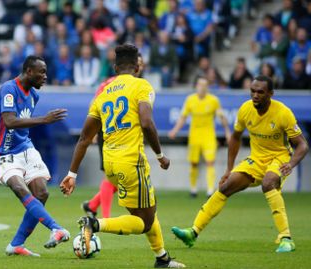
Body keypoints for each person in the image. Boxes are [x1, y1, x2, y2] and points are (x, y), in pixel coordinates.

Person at [60, 44, 185, 268]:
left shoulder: (102, 94)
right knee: (144, 222)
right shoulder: (141, 85)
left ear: (115, 67)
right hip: (131, 162)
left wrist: (72, 174)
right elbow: (146, 122)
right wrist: (159, 155)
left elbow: (84, 138)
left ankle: (162, 258)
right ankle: (93, 224)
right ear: (137, 67)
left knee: (145, 209)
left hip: (110, 164)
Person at [171, 75, 309, 253]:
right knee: (226, 186)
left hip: (279, 158)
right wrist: (229, 169)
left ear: (270, 94)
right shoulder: (245, 109)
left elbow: (302, 145)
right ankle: (193, 232)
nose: (255, 95)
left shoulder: (283, 113)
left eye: (260, 92)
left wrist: (291, 163)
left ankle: (286, 238)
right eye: (253, 91)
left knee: (268, 183)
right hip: (256, 159)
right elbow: (235, 138)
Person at [0, 55, 70, 257]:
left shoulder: (34, 95)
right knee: (19, 187)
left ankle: (16, 244)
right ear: (29, 72)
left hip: (26, 149)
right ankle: (56, 228)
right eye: (41, 72)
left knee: (42, 193)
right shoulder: (9, 88)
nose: (45, 76)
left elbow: (22, 125)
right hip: (5, 152)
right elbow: (9, 121)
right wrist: (44, 120)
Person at [82, 54, 146, 219]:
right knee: (112, 176)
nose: (138, 67)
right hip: (109, 133)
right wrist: (95, 131)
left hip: (129, 135)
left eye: (140, 63)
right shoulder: (109, 84)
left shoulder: (137, 85)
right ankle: (106, 218)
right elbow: (94, 106)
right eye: (136, 62)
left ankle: (92, 205)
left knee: (121, 176)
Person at [168, 77, 231, 198]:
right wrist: (174, 131)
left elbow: (222, 117)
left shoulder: (213, 100)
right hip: (194, 136)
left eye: (205, 85)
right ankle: (193, 189)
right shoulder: (190, 100)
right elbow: (183, 117)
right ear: (196, 86)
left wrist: (227, 132)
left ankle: (210, 190)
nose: (202, 87)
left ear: (207, 87)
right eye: (200, 85)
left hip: (209, 136)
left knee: (210, 162)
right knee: (194, 164)